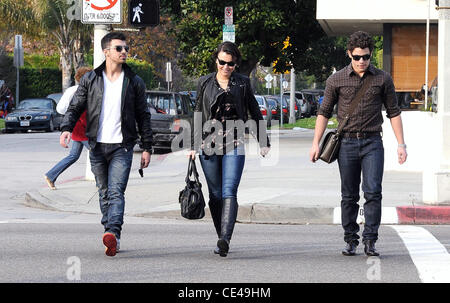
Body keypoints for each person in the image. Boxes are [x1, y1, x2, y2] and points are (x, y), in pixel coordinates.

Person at [309, 31, 407, 257]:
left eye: (365, 57)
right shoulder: (336, 80)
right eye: (357, 57)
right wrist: (315, 143)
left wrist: (401, 144)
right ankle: (350, 239)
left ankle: (370, 240)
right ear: (349, 55)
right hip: (346, 144)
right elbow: (323, 113)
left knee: (373, 192)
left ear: (371, 54)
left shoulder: (382, 78)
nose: (361, 61)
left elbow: (394, 112)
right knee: (349, 195)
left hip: (373, 142)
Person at [59, 32, 153, 257]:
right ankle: (108, 233)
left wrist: (147, 147)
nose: (124, 52)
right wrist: (66, 128)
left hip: (123, 146)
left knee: (116, 192)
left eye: (126, 49)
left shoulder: (134, 81)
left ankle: (114, 233)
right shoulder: (91, 79)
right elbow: (75, 107)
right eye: (119, 48)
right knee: (103, 192)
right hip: (97, 146)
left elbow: (143, 116)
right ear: (106, 51)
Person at [188, 41, 270, 257]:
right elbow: (197, 112)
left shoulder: (242, 83)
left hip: (235, 143)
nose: (226, 67)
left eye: (231, 64)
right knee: (215, 195)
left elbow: (253, 110)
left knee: (229, 191)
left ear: (235, 64)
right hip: (208, 144)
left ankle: (225, 238)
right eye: (222, 62)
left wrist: (263, 141)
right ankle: (220, 234)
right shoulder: (204, 83)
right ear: (216, 61)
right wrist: (192, 145)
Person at [44, 67, 92, 190]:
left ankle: (51, 175)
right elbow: (81, 113)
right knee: (97, 154)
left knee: (73, 156)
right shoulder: (82, 92)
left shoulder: (75, 90)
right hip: (82, 129)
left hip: (76, 128)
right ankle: (103, 181)